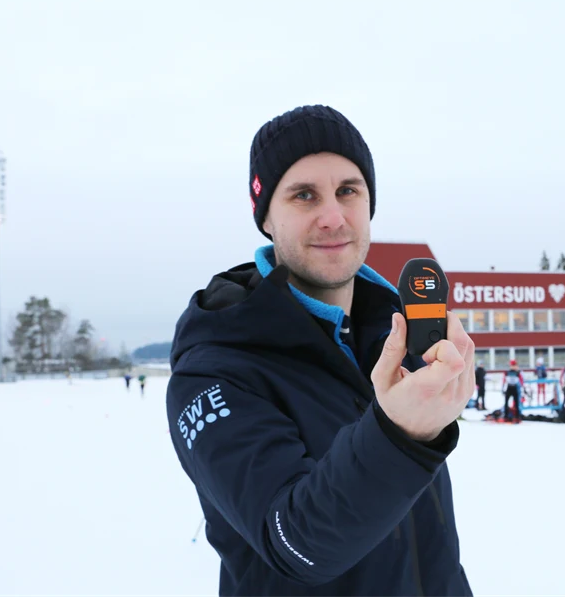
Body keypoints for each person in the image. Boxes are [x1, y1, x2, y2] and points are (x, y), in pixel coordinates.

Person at [164, 104, 474, 596]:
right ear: (266, 218)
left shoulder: (395, 338)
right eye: (304, 195)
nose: (333, 218)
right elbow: (295, 543)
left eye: (348, 191)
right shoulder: (215, 370)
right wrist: (399, 435)